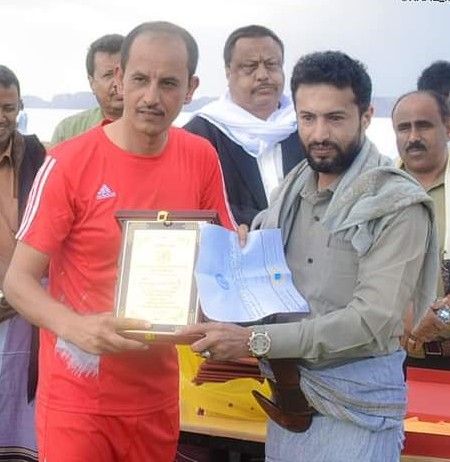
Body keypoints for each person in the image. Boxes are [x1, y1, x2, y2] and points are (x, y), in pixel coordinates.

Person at [179, 51, 439, 461]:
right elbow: (262, 290)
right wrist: (239, 256)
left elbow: (370, 321)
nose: (319, 133)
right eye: (307, 118)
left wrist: (254, 341)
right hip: (288, 408)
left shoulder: (397, 204)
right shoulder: (290, 191)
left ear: (366, 117)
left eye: (335, 118)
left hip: (357, 415)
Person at [4, 21, 235, 462]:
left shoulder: (201, 156)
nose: (151, 97)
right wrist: (77, 328)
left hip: (157, 395)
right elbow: (18, 282)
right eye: (140, 79)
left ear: (191, 88)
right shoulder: (68, 163)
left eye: (169, 83)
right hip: (79, 397)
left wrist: (243, 263)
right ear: (119, 79)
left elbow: (221, 259)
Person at [184, 25, 305, 226]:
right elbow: (197, 203)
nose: (263, 75)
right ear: (228, 72)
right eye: (250, 66)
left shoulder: (306, 126)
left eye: (272, 64)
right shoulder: (200, 134)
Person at [0, 65, 46, 461]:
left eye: (8, 108)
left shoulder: (37, 155)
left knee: (20, 407)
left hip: (26, 308)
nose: (2, 117)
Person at [392, 90, 450, 367]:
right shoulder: (372, 193)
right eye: (404, 128)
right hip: (390, 361)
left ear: (447, 128)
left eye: (424, 125)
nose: (413, 137)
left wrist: (443, 316)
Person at [50, 33, 124, 145]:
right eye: (108, 75)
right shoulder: (68, 131)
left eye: (123, 74)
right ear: (91, 83)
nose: (117, 83)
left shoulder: (151, 129)